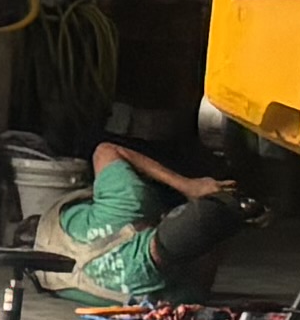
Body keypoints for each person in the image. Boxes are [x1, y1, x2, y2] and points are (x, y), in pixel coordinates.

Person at [61, 129, 243, 302]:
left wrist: (188, 186)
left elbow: (105, 150)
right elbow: (202, 269)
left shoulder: (126, 204)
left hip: (52, 234)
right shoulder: (180, 295)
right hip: (54, 265)